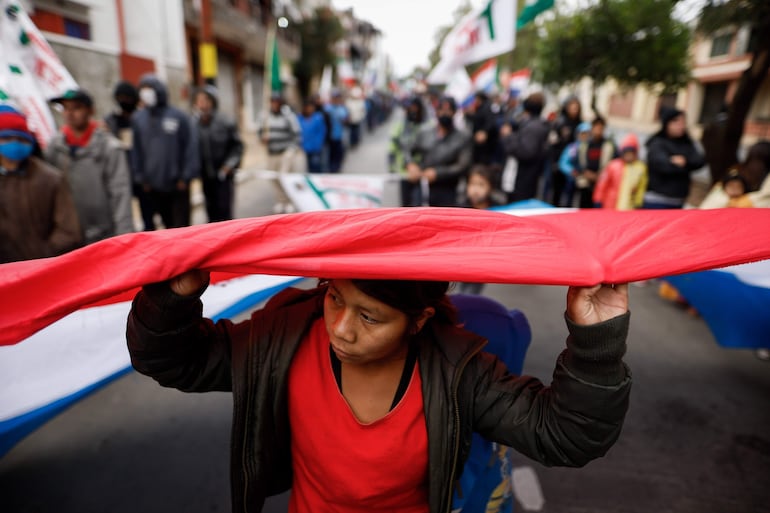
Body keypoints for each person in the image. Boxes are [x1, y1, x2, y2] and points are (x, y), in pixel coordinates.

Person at [127, 271, 631, 513]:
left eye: (370, 317)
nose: (341, 329)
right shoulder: (282, 339)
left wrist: (596, 340)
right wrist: (172, 298)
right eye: (335, 299)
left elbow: (567, 435)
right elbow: (172, 359)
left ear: (419, 321)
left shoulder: (460, 371)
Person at [45, 89, 134, 244]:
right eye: (66, 108)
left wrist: (125, 239)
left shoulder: (109, 148)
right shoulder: (55, 148)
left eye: (76, 108)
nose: (70, 113)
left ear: (90, 110)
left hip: (104, 236)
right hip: (68, 238)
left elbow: (120, 195)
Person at [0, 103, 82, 262]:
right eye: (7, 138)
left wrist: (42, 256)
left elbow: (69, 231)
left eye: (20, 139)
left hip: (44, 268)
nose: (14, 143)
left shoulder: (50, 179)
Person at [132, 74, 200, 229]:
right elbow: (136, 151)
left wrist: (186, 176)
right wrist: (141, 178)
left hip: (178, 186)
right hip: (153, 187)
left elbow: (190, 147)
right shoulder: (139, 119)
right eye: (143, 90)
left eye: (149, 89)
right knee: (165, 229)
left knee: (180, 227)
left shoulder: (179, 117)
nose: (145, 93)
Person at [404, 96, 472, 206]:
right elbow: (408, 150)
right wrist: (410, 164)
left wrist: (438, 173)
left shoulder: (462, 137)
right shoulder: (425, 132)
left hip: (448, 189)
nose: (445, 114)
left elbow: (463, 165)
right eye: (441, 110)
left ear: (454, 113)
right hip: (423, 186)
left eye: (449, 111)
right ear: (436, 112)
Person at [193, 86, 244, 222]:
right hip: (205, 177)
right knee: (210, 212)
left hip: (223, 176)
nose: (202, 104)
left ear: (212, 102)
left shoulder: (225, 121)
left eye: (205, 100)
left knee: (224, 211)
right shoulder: (194, 123)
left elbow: (237, 147)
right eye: (199, 101)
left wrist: (228, 166)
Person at [104, 80, 150, 231]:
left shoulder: (142, 118)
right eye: (120, 97)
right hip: (120, 172)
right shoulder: (111, 120)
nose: (123, 101)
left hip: (140, 172)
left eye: (127, 98)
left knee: (147, 213)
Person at [643, 106, 705, 209]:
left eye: (683, 123)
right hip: (657, 200)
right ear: (667, 123)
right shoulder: (657, 143)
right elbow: (663, 165)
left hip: (679, 200)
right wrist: (681, 165)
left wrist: (684, 161)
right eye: (676, 122)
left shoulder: (687, 143)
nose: (681, 126)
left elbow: (699, 161)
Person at [457, 164, 503, 295]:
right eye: (472, 184)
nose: (475, 190)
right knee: (464, 289)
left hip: (482, 261)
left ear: (490, 188)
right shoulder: (461, 208)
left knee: (470, 292)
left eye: (481, 185)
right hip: (464, 259)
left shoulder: (498, 210)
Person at [499, 92, 550, 203]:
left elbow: (526, 152)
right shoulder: (534, 124)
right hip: (525, 177)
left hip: (524, 178)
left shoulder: (533, 127)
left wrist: (508, 137)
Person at [593, 133, 648, 210]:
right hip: (610, 205)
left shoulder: (640, 167)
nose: (628, 155)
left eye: (631, 152)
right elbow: (602, 184)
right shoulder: (613, 165)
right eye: (626, 152)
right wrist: (598, 199)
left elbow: (641, 187)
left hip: (629, 207)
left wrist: (638, 202)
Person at [548, 96, 583, 206]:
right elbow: (553, 143)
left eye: (577, 108)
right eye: (572, 107)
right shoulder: (560, 122)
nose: (575, 110)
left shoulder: (580, 124)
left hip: (574, 163)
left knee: (571, 192)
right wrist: (555, 162)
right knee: (557, 190)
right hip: (560, 161)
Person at [577, 117, 616, 209]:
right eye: (596, 127)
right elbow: (579, 161)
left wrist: (599, 176)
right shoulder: (585, 144)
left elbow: (612, 164)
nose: (598, 130)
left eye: (601, 128)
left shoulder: (608, 145)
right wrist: (585, 172)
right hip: (585, 182)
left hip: (601, 182)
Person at [297, 98, 327, 174]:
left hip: (315, 149)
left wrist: (318, 145)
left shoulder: (318, 118)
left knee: (315, 168)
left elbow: (321, 132)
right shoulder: (299, 118)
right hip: (303, 148)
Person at [324, 89, 349, 173]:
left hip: (340, 135)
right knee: (330, 154)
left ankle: (337, 167)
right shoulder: (327, 108)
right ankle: (331, 168)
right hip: (329, 136)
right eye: (334, 98)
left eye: (337, 98)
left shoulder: (342, 108)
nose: (336, 100)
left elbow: (346, 120)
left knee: (339, 153)